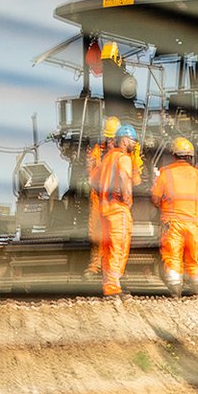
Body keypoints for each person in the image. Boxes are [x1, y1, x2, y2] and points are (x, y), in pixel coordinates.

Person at [151, 137, 198, 295]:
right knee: (194, 259)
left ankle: (175, 289)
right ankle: (197, 289)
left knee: (173, 256)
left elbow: (155, 198)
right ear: (190, 156)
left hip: (172, 224)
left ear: (173, 155)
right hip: (194, 224)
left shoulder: (165, 173)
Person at [96, 126, 138, 296]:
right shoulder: (123, 158)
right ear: (125, 140)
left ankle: (109, 284)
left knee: (108, 247)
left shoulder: (106, 159)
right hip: (117, 207)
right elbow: (124, 178)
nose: (135, 145)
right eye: (133, 141)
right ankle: (113, 287)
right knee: (118, 246)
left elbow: (94, 180)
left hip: (104, 208)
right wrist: (127, 199)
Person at [84, 117, 121, 276]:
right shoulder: (97, 151)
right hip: (98, 196)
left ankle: (112, 269)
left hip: (114, 198)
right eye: (108, 137)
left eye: (113, 138)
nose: (110, 141)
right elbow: (90, 173)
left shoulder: (123, 154)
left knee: (115, 234)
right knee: (96, 234)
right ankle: (94, 266)